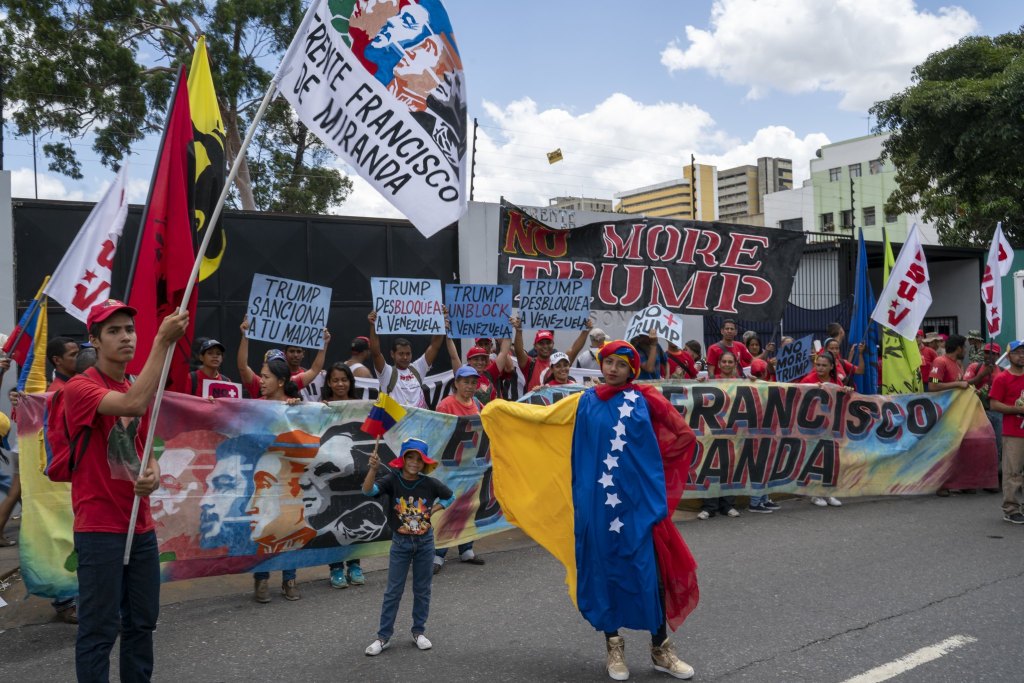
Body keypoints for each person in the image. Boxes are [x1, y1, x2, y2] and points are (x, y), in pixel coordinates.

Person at [480, 339, 699, 680]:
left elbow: (681, 436)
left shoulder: (645, 400)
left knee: (649, 577)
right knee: (604, 574)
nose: (613, 369)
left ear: (632, 370)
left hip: (638, 508)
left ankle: (660, 649)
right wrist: (501, 409)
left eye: (621, 364)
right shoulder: (583, 402)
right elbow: (542, 417)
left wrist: (655, 484)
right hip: (596, 508)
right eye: (608, 362)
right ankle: (613, 647)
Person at [63, 299, 188, 682]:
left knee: (141, 624)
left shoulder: (137, 382)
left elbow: (145, 449)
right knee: (99, 631)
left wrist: (150, 473)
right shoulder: (79, 388)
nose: (125, 337)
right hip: (99, 529)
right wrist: (162, 343)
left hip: (141, 527)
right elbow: (131, 406)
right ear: (94, 341)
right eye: (113, 331)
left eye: (129, 329)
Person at [363, 438, 454, 656]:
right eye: (410, 457)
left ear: (424, 463)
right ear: (402, 460)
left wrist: (434, 510)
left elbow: (450, 497)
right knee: (393, 591)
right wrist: (373, 470)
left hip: (425, 543)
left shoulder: (430, 484)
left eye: (419, 459)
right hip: (400, 544)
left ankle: (419, 632)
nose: (414, 462)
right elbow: (368, 491)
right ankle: (383, 637)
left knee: (422, 590)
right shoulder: (391, 480)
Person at [250, 358, 306, 603]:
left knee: (290, 525)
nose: (261, 381)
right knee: (265, 523)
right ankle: (261, 579)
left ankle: (289, 579)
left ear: (281, 381)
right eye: (261, 376)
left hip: (292, 476)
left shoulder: (298, 406)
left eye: (266, 377)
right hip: (263, 475)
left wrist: (297, 409)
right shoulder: (253, 406)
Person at [432, 365, 488, 573]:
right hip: (450, 468)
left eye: (474, 382)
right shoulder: (445, 405)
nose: (470, 386)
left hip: (472, 467)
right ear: (456, 383)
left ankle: (466, 549)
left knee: (469, 505)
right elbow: (438, 433)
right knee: (447, 506)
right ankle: (439, 554)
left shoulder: (478, 404)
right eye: (466, 381)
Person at [318, 363, 367, 588]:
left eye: (344, 380)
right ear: (329, 383)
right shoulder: (320, 407)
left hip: (354, 472)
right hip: (330, 477)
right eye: (335, 380)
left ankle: (355, 565)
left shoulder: (360, 406)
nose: (340, 384)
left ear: (351, 382)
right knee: (332, 520)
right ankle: (336, 567)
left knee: (353, 517)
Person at [798, 351, 851, 508]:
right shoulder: (808, 380)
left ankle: (828, 493)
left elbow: (842, 400)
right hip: (813, 426)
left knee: (831, 460)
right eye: (818, 365)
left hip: (832, 426)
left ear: (831, 367)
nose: (820, 368)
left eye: (823, 365)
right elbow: (799, 398)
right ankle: (815, 493)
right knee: (815, 459)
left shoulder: (835, 381)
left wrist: (846, 391)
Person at [697, 350, 744, 521]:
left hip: (733, 432)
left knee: (729, 469)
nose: (726, 365)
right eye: (723, 361)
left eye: (730, 362)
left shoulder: (741, 382)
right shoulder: (709, 381)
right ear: (718, 363)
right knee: (710, 469)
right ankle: (709, 507)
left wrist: (756, 382)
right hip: (711, 431)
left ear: (735, 364)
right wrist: (697, 384)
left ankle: (728, 505)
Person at [367, 310, 446, 409]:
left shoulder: (417, 368)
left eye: (408, 354)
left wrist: (440, 322)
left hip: (418, 423)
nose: (405, 357)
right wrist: (372, 326)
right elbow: (376, 354)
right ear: (392, 354)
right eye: (401, 354)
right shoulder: (387, 372)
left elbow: (434, 346)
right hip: (396, 423)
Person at [237, 315, 329, 398]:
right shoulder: (259, 385)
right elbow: (243, 367)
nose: (276, 366)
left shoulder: (291, 383)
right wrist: (245, 336)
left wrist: (324, 345)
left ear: (281, 381)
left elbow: (314, 370)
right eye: (272, 363)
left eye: (279, 363)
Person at [987, 340, 1024, 524]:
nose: (1021, 356)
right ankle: (1011, 508)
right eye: (1017, 352)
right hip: (1013, 432)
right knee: (1012, 471)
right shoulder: (1002, 378)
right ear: (1009, 356)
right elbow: (993, 404)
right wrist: (1018, 410)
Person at [510, 319, 591, 392]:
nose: (545, 346)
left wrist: (586, 331)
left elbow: (574, 350)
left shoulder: (560, 362)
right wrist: (518, 331)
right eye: (541, 343)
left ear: (553, 344)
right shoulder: (530, 364)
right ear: (535, 346)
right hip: (534, 408)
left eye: (548, 343)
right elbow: (519, 351)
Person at [965, 343, 1003, 493]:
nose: (989, 356)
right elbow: (964, 384)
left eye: (993, 354)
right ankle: (970, 482)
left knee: (995, 448)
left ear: (998, 356)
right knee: (974, 446)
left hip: (996, 414)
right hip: (976, 412)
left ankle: (989, 480)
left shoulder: (1002, 372)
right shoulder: (974, 367)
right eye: (987, 353)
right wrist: (981, 376)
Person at [445, 338, 512, 404]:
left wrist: (508, 331)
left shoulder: (490, 373)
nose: (480, 362)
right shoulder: (462, 374)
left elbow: (504, 352)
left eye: (482, 359)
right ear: (469, 361)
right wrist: (448, 337)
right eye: (476, 359)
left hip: (491, 414)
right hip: (470, 413)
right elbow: (454, 356)